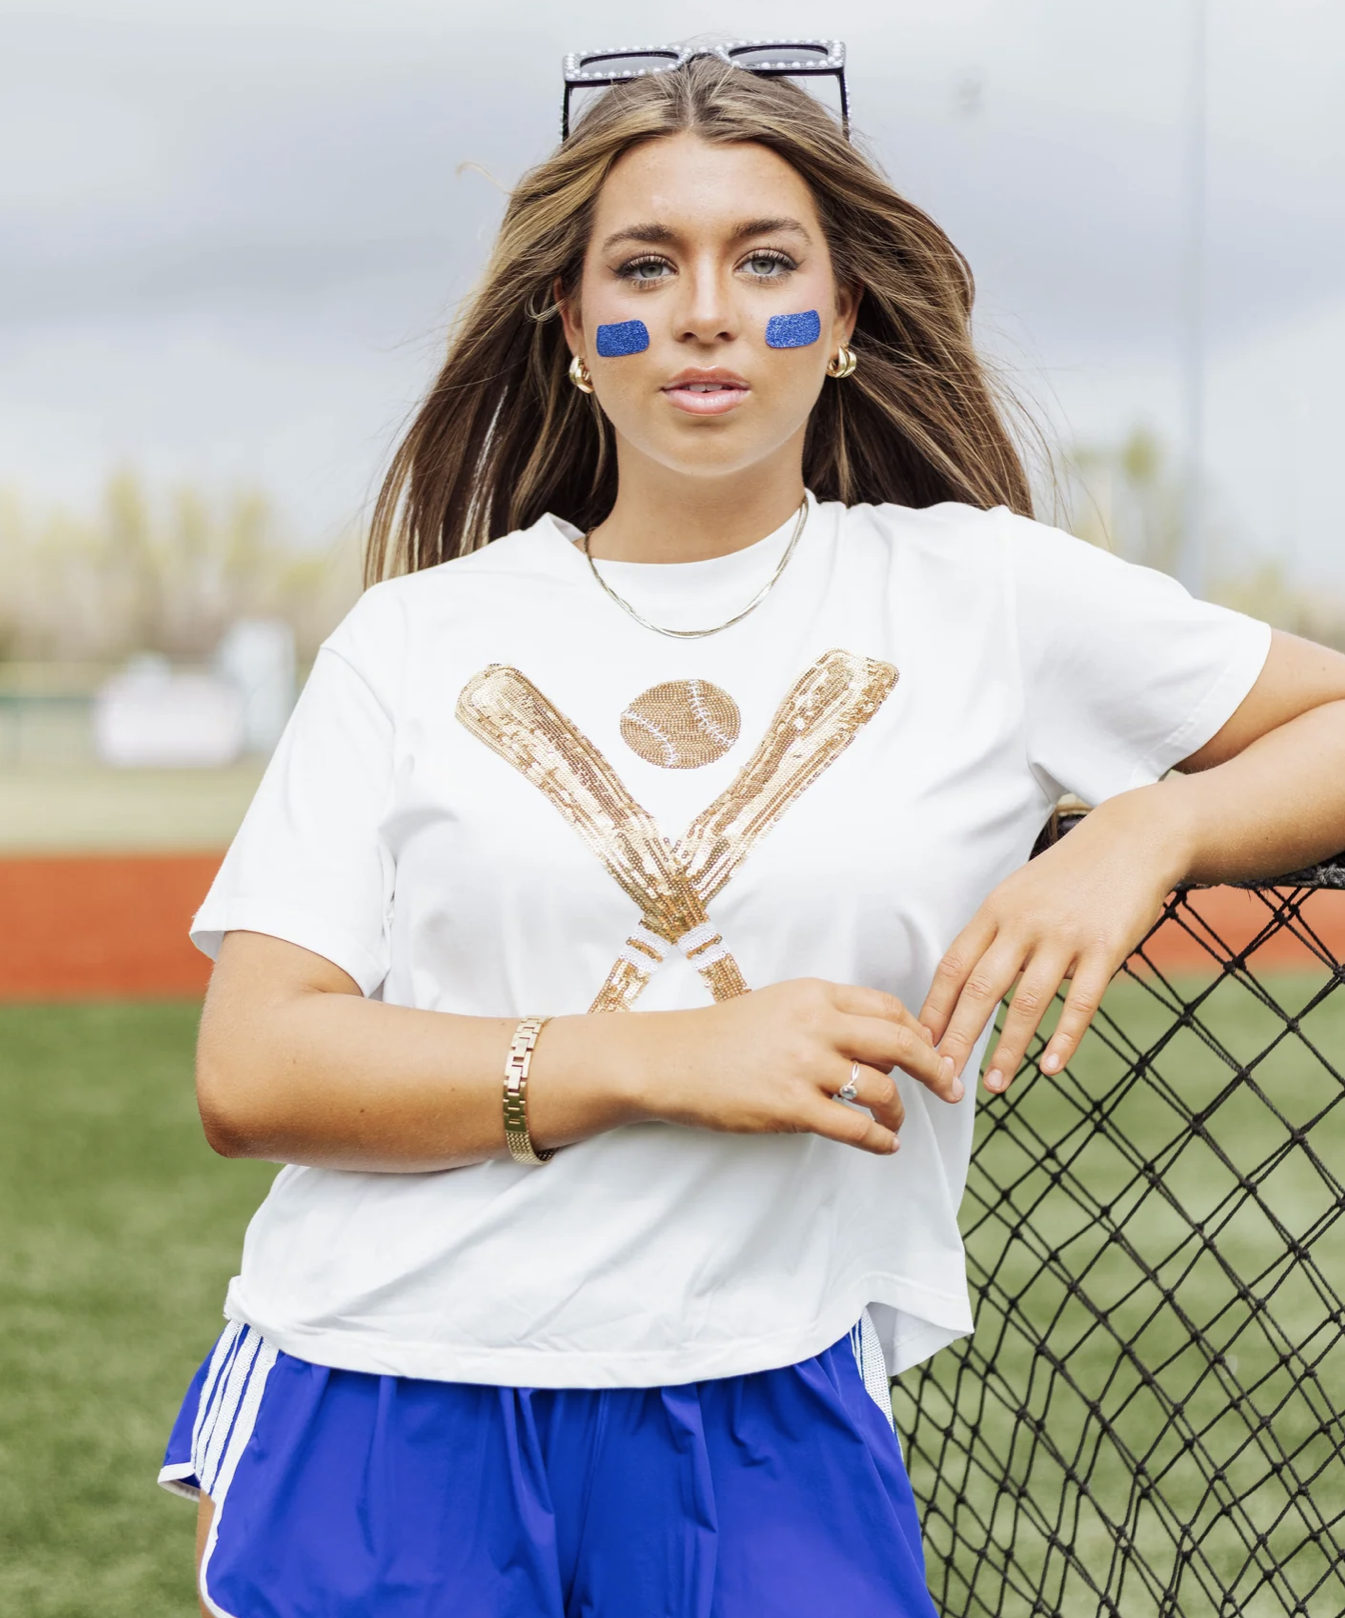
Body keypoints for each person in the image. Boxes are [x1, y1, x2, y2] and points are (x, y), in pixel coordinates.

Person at [158, 44, 1345, 1618]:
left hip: (772, 1385)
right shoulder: (415, 638)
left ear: (841, 318)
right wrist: (656, 1057)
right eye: (645, 265)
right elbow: (254, 1068)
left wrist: (1153, 826)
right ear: (576, 332)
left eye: (764, 260)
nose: (705, 308)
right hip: (388, 1380)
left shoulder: (982, 594)